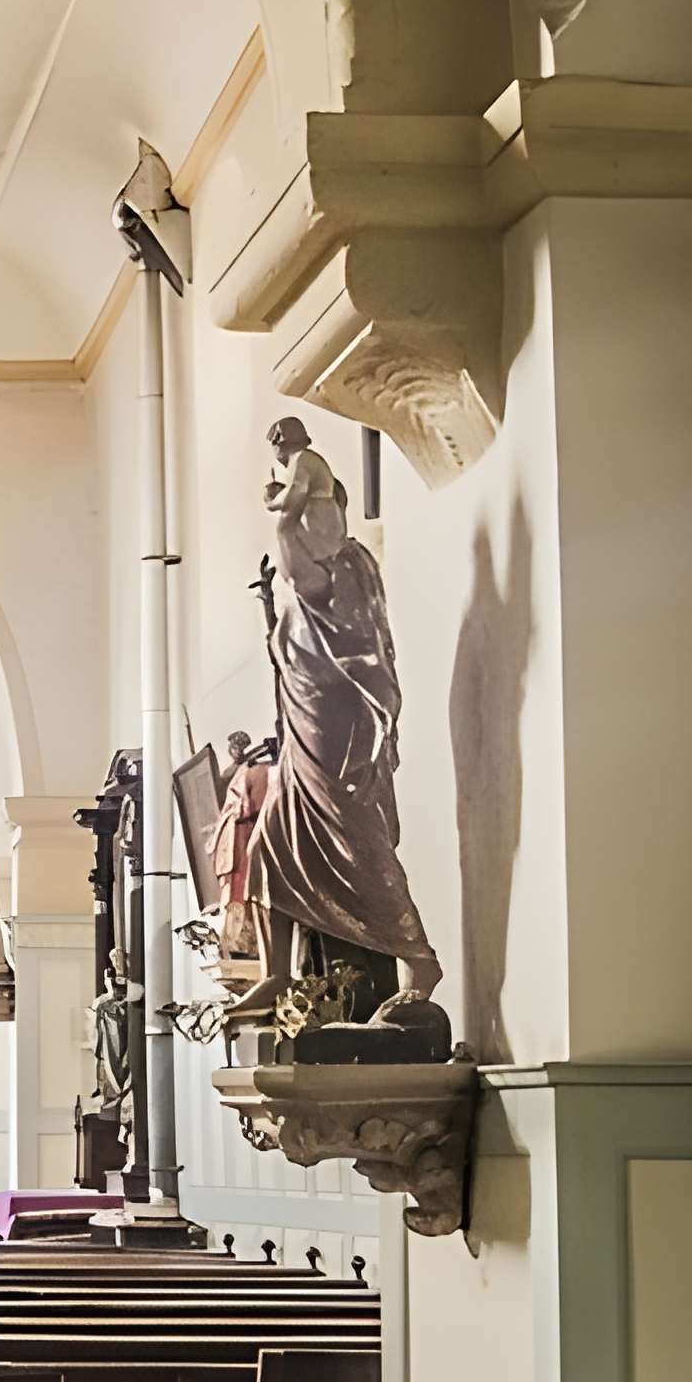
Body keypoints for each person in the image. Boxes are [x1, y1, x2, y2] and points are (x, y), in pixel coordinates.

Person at [244, 417, 440, 1011]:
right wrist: (266, 610)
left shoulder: (331, 591)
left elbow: (341, 668)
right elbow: (286, 665)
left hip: (335, 750)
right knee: (267, 846)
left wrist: (284, 511)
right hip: (300, 754)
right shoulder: (299, 608)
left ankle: (419, 960)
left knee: (359, 846)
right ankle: (277, 971)